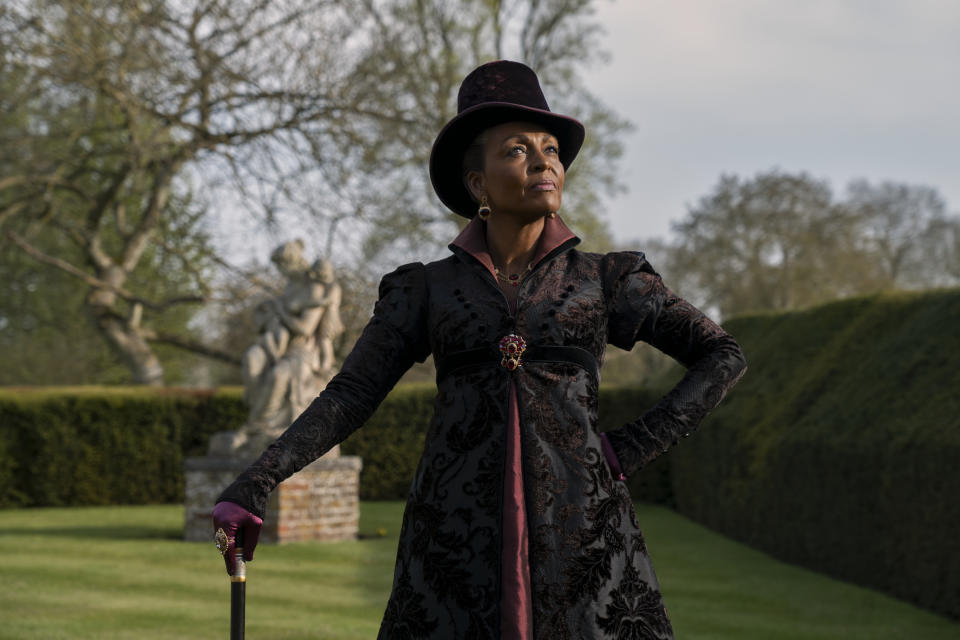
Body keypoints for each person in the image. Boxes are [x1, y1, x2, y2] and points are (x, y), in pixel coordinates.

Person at [212, 60, 747, 640]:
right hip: (452, 546)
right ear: (478, 184)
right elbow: (351, 395)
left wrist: (628, 449)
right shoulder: (426, 288)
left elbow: (722, 354)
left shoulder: (607, 279)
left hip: (582, 540)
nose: (544, 161)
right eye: (518, 150)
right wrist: (255, 481)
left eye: (551, 149)